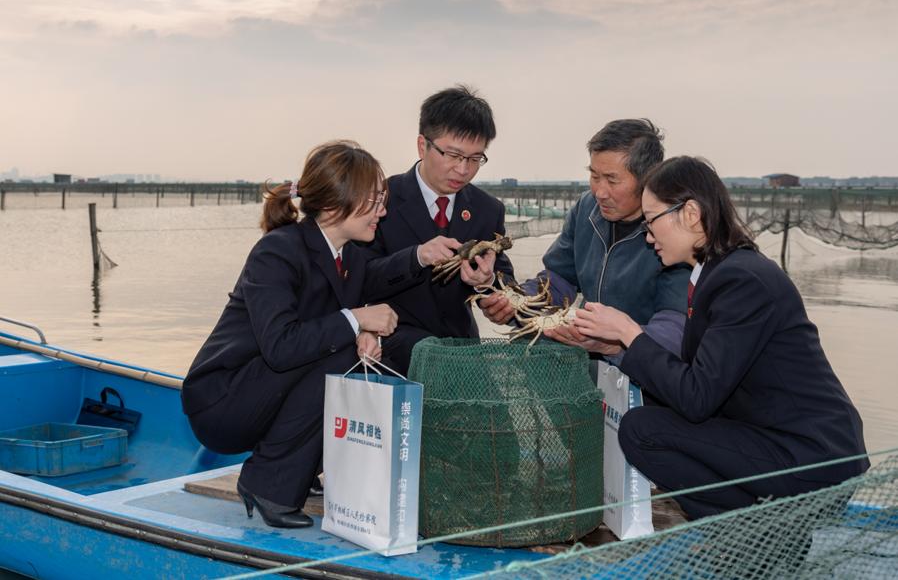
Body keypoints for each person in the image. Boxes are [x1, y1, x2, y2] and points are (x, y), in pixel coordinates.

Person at [572, 156, 869, 519]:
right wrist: (614, 346)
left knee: (642, 431)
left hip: (812, 456)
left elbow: (696, 397)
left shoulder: (742, 281)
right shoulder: (718, 273)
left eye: (651, 221)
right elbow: (694, 383)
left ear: (690, 213)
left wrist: (630, 333)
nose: (648, 237)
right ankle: (756, 526)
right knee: (648, 410)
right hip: (778, 439)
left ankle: (760, 529)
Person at [181, 141, 427, 528]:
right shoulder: (276, 252)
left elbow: (346, 311)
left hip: (269, 390)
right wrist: (356, 320)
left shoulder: (349, 257)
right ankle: (268, 484)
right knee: (339, 354)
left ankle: (304, 469)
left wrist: (366, 334)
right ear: (333, 205)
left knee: (380, 353)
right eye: (374, 201)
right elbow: (281, 346)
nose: (382, 211)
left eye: (383, 200)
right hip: (224, 400)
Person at [481, 119, 689, 360]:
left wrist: (615, 342)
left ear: (647, 179)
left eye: (612, 180)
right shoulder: (586, 209)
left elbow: (675, 326)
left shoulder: (674, 233)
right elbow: (559, 279)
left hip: (649, 368)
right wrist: (517, 302)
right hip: (589, 358)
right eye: (594, 176)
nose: (600, 192)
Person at [361, 85, 515, 375]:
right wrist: (417, 257)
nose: (463, 170)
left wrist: (487, 283)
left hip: (463, 358)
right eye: (453, 155)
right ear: (423, 146)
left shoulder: (488, 209)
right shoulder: (381, 199)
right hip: (391, 355)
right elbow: (358, 280)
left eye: (475, 158)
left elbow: (504, 282)